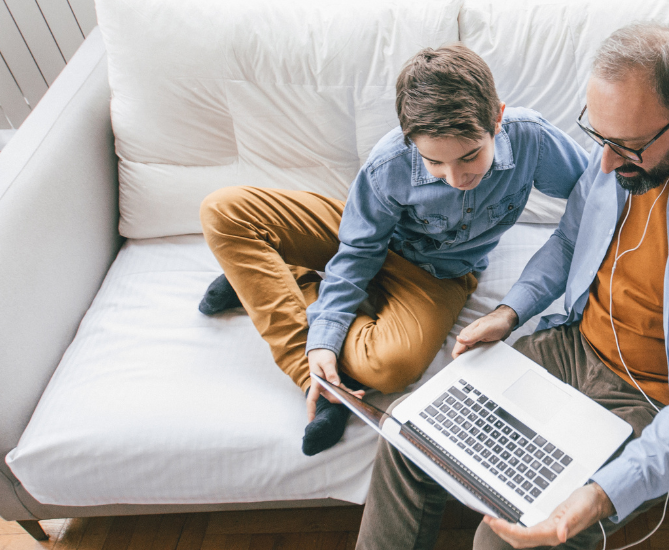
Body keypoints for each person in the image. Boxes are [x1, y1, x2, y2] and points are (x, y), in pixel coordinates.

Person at [353, 23, 669, 550]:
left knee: (503, 541)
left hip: (654, 400)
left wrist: (602, 495)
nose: (601, 164)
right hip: (570, 346)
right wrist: (510, 312)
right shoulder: (619, 148)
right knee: (407, 437)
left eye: (624, 146)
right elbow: (569, 239)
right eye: (597, 138)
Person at [197, 44, 588, 456]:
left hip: (439, 273)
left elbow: (594, 203)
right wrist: (324, 338)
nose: (455, 178)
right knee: (223, 210)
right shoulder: (389, 164)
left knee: (390, 367)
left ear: (497, 118)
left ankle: (268, 280)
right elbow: (358, 249)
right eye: (435, 163)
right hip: (364, 239)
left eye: (470, 156)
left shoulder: (533, 140)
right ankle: (309, 369)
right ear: (410, 141)